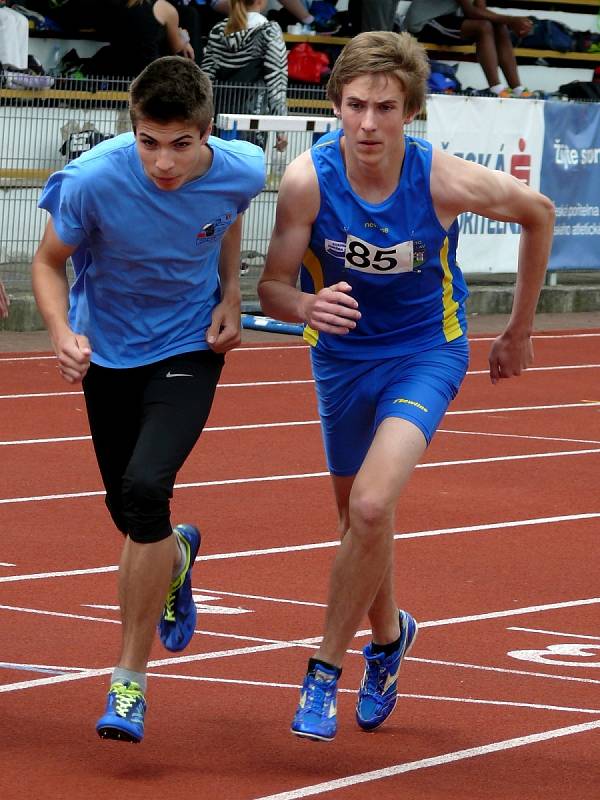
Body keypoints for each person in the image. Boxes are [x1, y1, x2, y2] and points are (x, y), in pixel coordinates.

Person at [257, 30, 554, 741]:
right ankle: (389, 638)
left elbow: (538, 213)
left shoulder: (440, 179)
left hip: (425, 351)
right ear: (335, 105)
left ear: (411, 112)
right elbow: (269, 287)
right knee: (360, 521)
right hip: (341, 360)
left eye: (385, 108)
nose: (367, 123)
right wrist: (304, 305)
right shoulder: (308, 181)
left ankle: (324, 671)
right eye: (355, 105)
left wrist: (518, 329)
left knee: (369, 500)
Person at [31, 55, 265, 744]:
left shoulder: (243, 167)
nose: (163, 162)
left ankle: (128, 680)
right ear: (132, 130)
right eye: (148, 142)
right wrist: (60, 331)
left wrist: (230, 295)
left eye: (181, 144)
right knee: (130, 513)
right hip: (109, 350)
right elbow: (48, 261)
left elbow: (229, 214)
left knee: (144, 488)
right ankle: (177, 557)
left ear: (208, 133)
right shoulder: (93, 180)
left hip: (189, 346)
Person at [202, 0, 288, 151]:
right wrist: (282, 128)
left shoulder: (218, 30)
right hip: (253, 121)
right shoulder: (269, 30)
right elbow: (277, 82)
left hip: (217, 119)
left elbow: (205, 80)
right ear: (261, 1)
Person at [404, 0, 533, 97]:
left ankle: (517, 89)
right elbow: (470, 11)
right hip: (425, 21)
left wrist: (509, 21)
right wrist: (512, 20)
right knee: (484, 27)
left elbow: (480, 9)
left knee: (500, 26)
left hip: (450, 18)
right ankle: (496, 88)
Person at [86, 0, 195, 78]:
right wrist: (184, 37)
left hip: (117, 74)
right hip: (148, 77)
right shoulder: (165, 8)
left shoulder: (114, 5)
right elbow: (176, 48)